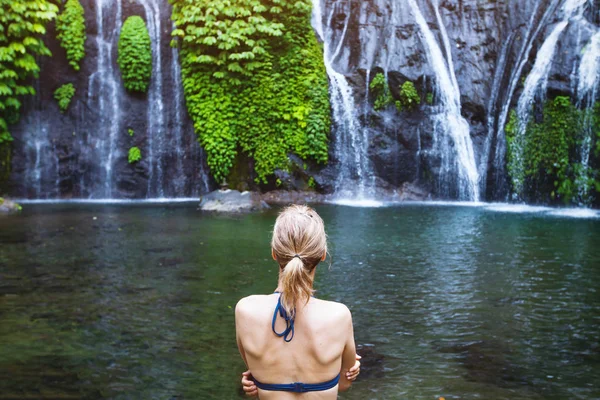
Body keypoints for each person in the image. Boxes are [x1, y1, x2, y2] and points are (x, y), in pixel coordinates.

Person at [235, 205, 361, 398]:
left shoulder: (245, 310)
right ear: (323, 255)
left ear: (274, 253)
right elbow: (343, 384)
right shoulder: (339, 315)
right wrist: (351, 370)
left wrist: (257, 381)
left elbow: (255, 374)